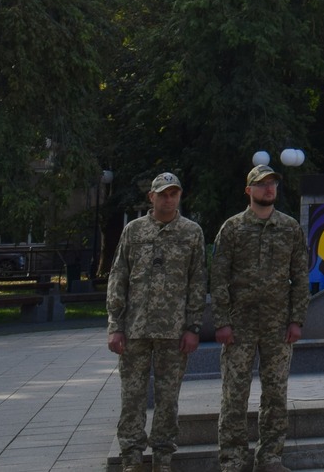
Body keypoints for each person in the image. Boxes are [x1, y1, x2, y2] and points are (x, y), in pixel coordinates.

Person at [212, 164, 309, 472]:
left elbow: (300, 276)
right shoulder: (232, 228)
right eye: (262, 184)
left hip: (277, 325)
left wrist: (297, 319)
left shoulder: (290, 227)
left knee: (276, 394)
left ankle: (270, 457)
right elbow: (218, 277)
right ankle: (233, 459)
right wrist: (222, 321)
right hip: (239, 324)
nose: (269, 189)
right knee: (234, 394)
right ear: (248, 190)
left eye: (273, 184)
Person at [106, 172, 206, 472]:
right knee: (132, 396)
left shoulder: (191, 232)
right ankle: (132, 458)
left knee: (167, 399)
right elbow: (118, 276)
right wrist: (115, 324)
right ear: (151, 196)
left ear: (179, 196)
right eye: (162, 193)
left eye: (173, 193)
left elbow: (198, 282)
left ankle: (163, 459)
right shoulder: (133, 231)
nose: (168, 198)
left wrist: (193, 327)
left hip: (173, 332)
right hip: (135, 329)